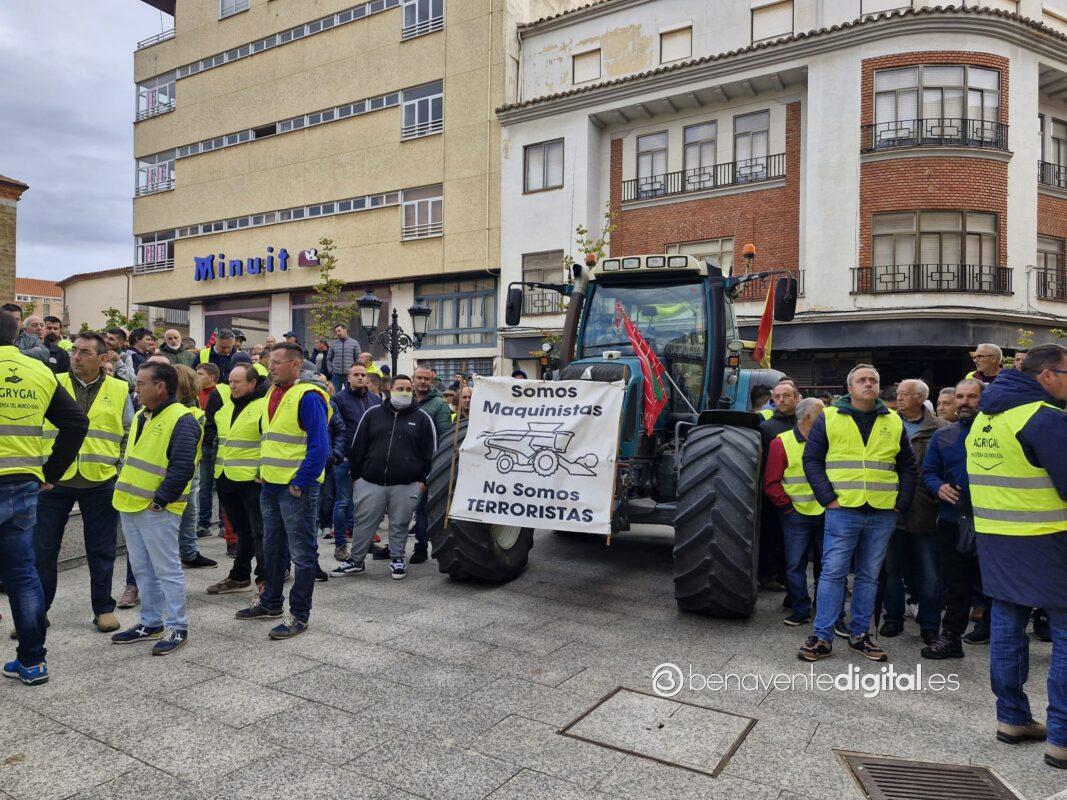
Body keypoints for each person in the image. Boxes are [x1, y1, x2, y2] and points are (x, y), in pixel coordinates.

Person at [965, 344, 1067, 769]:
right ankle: (1061, 738)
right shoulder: (1043, 418)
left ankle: (1011, 718)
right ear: (1047, 375)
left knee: (1007, 627)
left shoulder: (985, 418)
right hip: (1049, 540)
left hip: (997, 540)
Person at [798, 363, 916, 663]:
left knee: (869, 576)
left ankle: (860, 635)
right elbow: (812, 460)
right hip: (843, 509)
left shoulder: (894, 420)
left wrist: (901, 503)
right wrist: (828, 498)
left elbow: (907, 465)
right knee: (833, 573)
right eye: (862, 380)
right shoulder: (829, 417)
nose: (868, 384)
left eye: (873, 380)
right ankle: (822, 637)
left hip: (882, 511)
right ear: (850, 388)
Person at [0, 312, 88, 685]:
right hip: (22, 483)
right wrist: (50, 473)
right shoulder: (39, 371)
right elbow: (76, 422)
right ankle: (33, 662)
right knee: (23, 575)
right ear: (17, 334)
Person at [32, 333, 132, 635]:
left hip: (99, 479)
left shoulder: (119, 388)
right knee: (43, 549)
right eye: (74, 350)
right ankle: (37, 611)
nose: (76, 356)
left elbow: (128, 432)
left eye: (85, 352)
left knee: (101, 549)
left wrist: (118, 468)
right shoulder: (53, 382)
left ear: (102, 359)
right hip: (53, 480)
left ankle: (103, 609)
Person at [235, 343, 329, 639]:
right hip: (271, 484)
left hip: (296, 488)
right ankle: (271, 603)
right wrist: (262, 471)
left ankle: (299, 614)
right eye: (269, 361)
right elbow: (271, 438)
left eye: (277, 362)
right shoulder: (272, 393)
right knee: (273, 546)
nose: (270, 366)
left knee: (302, 552)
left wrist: (301, 482)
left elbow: (319, 446)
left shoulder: (308, 397)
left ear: (296, 364)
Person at [110, 362, 201, 655]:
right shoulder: (141, 415)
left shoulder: (183, 419)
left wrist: (160, 500)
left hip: (157, 508)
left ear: (160, 387)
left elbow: (183, 466)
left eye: (141, 383)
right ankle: (150, 622)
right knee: (142, 568)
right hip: (130, 504)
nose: (136, 389)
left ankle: (177, 626)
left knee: (166, 569)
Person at [333, 375, 436, 580]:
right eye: (400, 388)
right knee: (363, 524)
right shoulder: (372, 414)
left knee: (400, 524)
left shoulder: (422, 418)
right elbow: (358, 447)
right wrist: (357, 477)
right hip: (370, 482)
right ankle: (356, 561)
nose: (404, 392)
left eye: (408, 389)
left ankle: (397, 559)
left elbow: (429, 454)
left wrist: (422, 482)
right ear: (390, 389)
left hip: (407, 484)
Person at [921, 378, 986, 659]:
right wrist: (938, 487)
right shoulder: (944, 436)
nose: (964, 402)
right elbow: (929, 472)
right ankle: (950, 638)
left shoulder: (999, 432)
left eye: (972, 396)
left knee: (993, 585)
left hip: (992, 521)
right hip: (953, 520)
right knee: (955, 584)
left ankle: (996, 632)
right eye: (960, 396)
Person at [879, 380, 946, 642]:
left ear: (920, 398)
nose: (899, 398)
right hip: (891, 507)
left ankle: (929, 624)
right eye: (898, 394)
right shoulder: (886, 424)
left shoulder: (940, 429)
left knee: (930, 572)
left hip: (925, 510)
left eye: (904, 394)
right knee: (891, 569)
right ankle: (893, 618)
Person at [206, 363, 268, 595]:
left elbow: (269, 442)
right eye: (230, 381)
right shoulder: (225, 408)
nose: (232, 386)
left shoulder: (264, 407)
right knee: (243, 532)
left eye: (237, 382)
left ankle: (266, 581)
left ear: (252, 383)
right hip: (226, 479)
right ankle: (240, 577)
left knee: (260, 533)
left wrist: (263, 471)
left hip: (253, 482)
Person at [764, 397, 825, 626]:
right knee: (795, 565)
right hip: (796, 514)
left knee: (826, 565)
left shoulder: (829, 440)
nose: (827, 417)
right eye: (822, 413)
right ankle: (801, 609)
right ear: (808, 417)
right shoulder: (782, 443)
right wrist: (788, 507)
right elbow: (771, 482)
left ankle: (823, 605)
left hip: (825, 513)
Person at [398, 366, 452, 564]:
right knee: (398, 508)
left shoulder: (439, 405)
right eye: (419, 378)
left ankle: (420, 548)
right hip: (402, 463)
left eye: (426, 379)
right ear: (413, 379)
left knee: (420, 509)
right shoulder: (406, 400)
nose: (422, 382)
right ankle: (395, 546)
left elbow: (445, 437)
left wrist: (435, 466)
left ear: (432, 381)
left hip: (425, 466)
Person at [329, 363, 381, 560]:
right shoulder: (338, 399)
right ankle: (340, 546)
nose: (360, 377)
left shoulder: (375, 399)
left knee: (368, 505)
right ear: (348, 378)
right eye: (356, 374)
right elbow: (335, 428)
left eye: (363, 375)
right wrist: (339, 453)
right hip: (346, 458)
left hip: (369, 460)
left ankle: (366, 543)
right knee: (343, 502)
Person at [758, 382, 801, 592]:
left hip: (802, 495)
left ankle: (787, 577)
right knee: (772, 536)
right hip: (774, 494)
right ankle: (768, 575)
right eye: (777, 397)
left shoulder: (805, 424)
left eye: (786, 396)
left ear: (797, 398)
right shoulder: (766, 428)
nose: (781, 400)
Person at [173, 365, 217, 569]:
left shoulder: (192, 408)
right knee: (184, 513)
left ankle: (189, 553)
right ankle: (186, 553)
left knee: (190, 512)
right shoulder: (185, 411)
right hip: (181, 469)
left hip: (191, 467)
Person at [195, 363, 228, 538]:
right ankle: (204, 524)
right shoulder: (195, 393)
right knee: (204, 486)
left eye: (200, 374)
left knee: (219, 485)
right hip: (200, 445)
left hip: (212, 444)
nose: (197, 376)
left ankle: (223, 525)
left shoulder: (220, 393)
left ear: (212, 377)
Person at [326, 324, 358, 394]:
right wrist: (331, 371)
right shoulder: (333, 344)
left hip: (349, 375)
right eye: (336, 332)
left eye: (339, 331)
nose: (337, 333)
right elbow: (328, 359)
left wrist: (354, 371)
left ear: (345, 330)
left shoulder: (354, 343)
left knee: (350, 394)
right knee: (334, 394)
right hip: (336, 375)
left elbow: (358, 359)